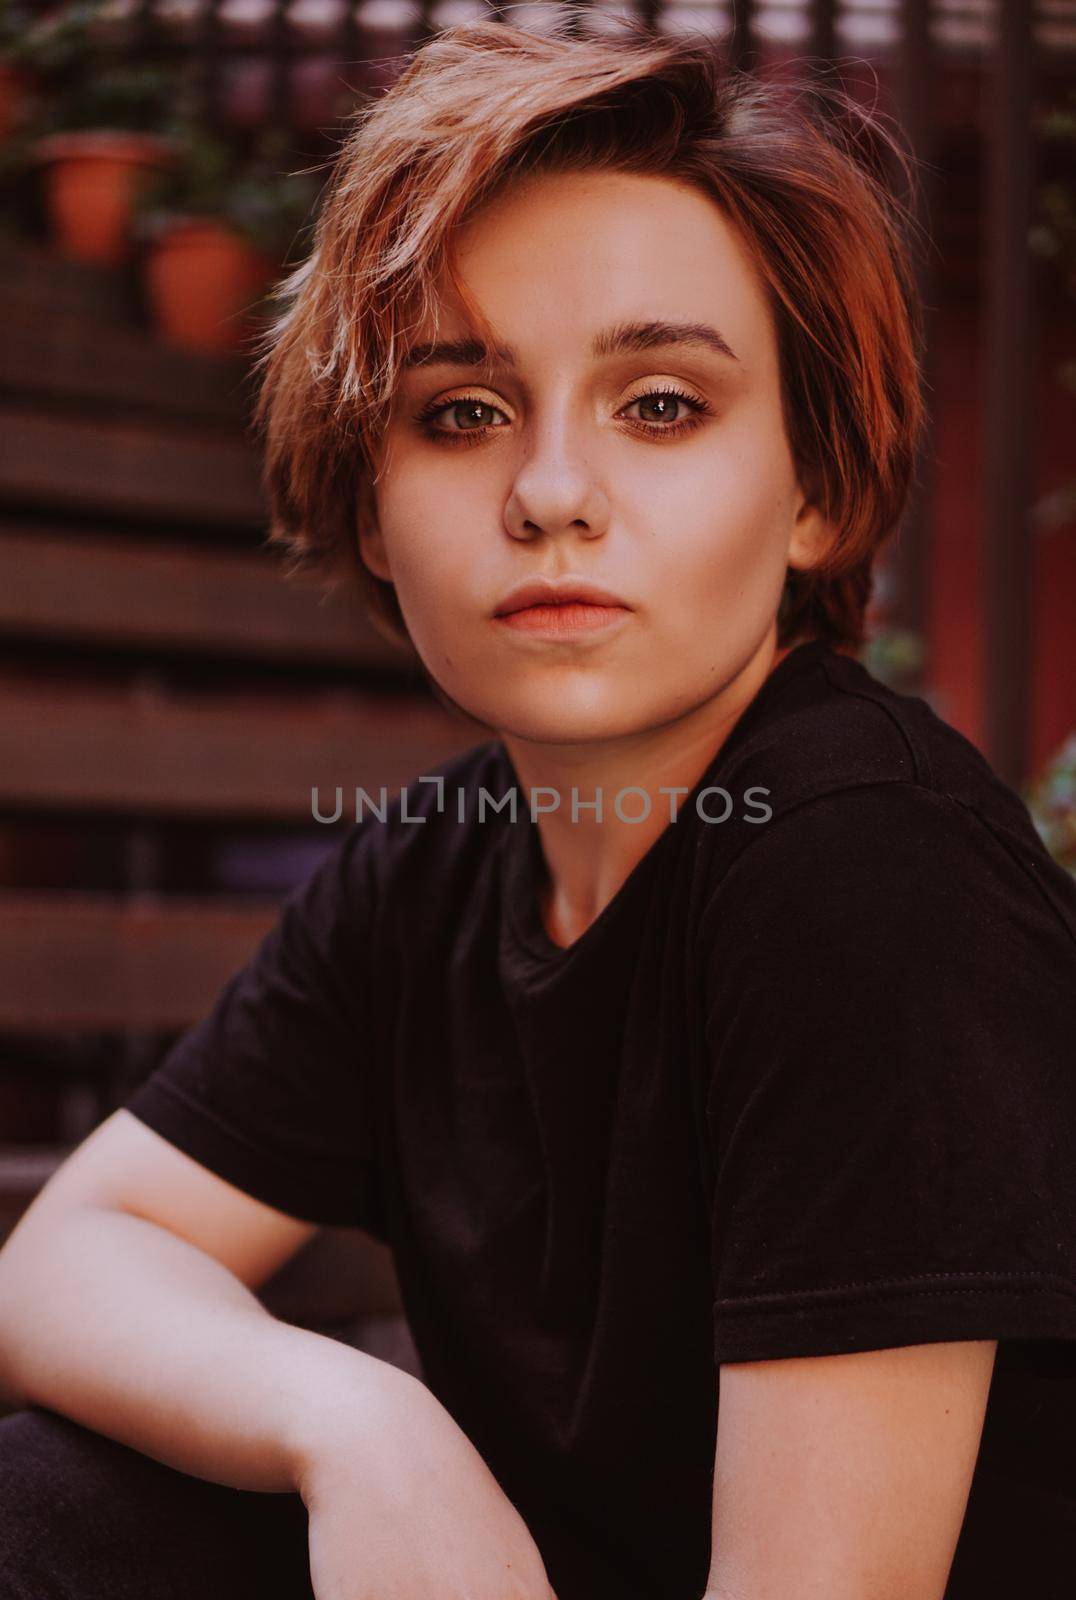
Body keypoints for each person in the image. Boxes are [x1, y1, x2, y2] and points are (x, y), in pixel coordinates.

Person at [1, 14, 1075, 1600]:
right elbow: (67, 1261)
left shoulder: (864, 863)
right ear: (371, 505)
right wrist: (358, 1426)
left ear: (819, 494)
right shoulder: (435, 864)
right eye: (461, 411)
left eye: (660, 405)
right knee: (54, 1501)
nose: (551, 491)